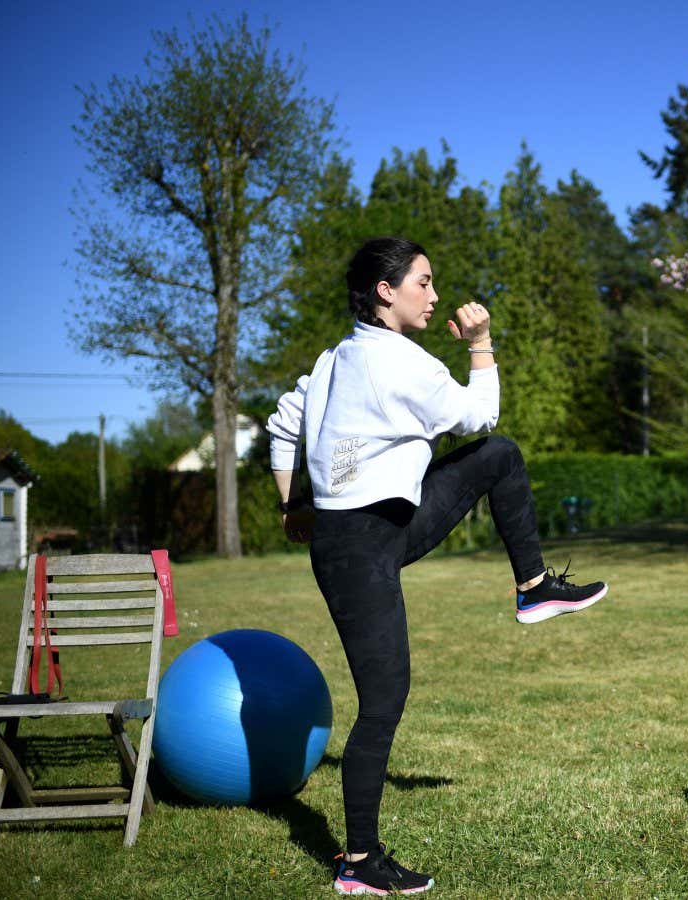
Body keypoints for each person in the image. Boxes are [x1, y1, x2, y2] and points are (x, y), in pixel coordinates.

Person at [267, 236, 607, 895]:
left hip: (379, 526)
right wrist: (480, 342)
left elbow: (284, 422)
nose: (436, 295)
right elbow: (479, 409)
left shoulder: (335, 357)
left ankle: (534, 587)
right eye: (423, 282)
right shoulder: (400, 362)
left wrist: (288, 507)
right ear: (385, 291)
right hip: (359, 551)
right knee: (384, 701)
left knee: (499, 457)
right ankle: (359, 865)